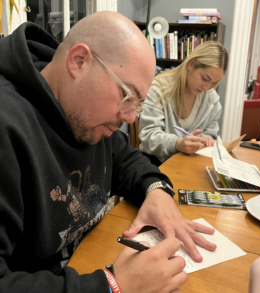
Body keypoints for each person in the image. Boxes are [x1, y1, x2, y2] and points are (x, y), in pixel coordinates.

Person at [0, 11, 217, 293]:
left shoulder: (88, 115)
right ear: (79, 61)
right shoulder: (8, 126)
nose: (129, 117)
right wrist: (112, 286)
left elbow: (128, 160)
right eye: (127, 94)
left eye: (136, 103)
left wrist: (157, 191)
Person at [139, 41, 229, 165]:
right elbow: (148, 137)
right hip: (157, 165)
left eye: (213, 83)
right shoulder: (158, 89)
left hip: (189, 165)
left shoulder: (211, 99)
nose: (207, 87)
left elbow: (211, 133)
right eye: (205, 78)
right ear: (191, 64)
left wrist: (207, 139)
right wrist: (177, 144)